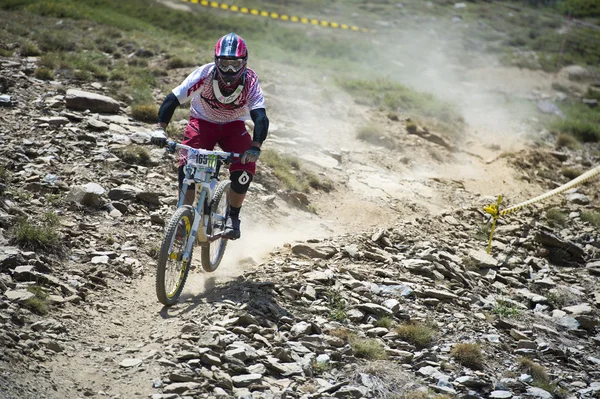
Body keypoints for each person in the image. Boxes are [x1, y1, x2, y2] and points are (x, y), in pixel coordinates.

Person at [151, 32, 269, 240]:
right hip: (202, 122)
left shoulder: (250, 81)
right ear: (216, 60)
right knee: (187, 163)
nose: (229, 69)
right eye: (224, 63)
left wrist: (255, 146)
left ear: (244, 62)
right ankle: (184, 216)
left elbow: (260, 117)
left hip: (233, 125)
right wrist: (160, 128)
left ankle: (233, 217)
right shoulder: (204, 75)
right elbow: (173, 99)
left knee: (245, 166)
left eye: (235, 63)